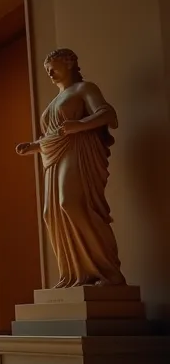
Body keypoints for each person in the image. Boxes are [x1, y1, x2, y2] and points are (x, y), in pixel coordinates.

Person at [15, 48, 126, 287]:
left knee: (71, 203)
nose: (50, 73)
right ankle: (77, 273)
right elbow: (53, 135)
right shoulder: (55, 100)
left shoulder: (84, 89)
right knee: (50, 213)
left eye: (54, 67)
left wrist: (80, 125)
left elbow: (107, 113)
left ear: (70, 64)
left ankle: (109, 272)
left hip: (78, 153)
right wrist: (33, 146)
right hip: (53, 157)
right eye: (47, 70)